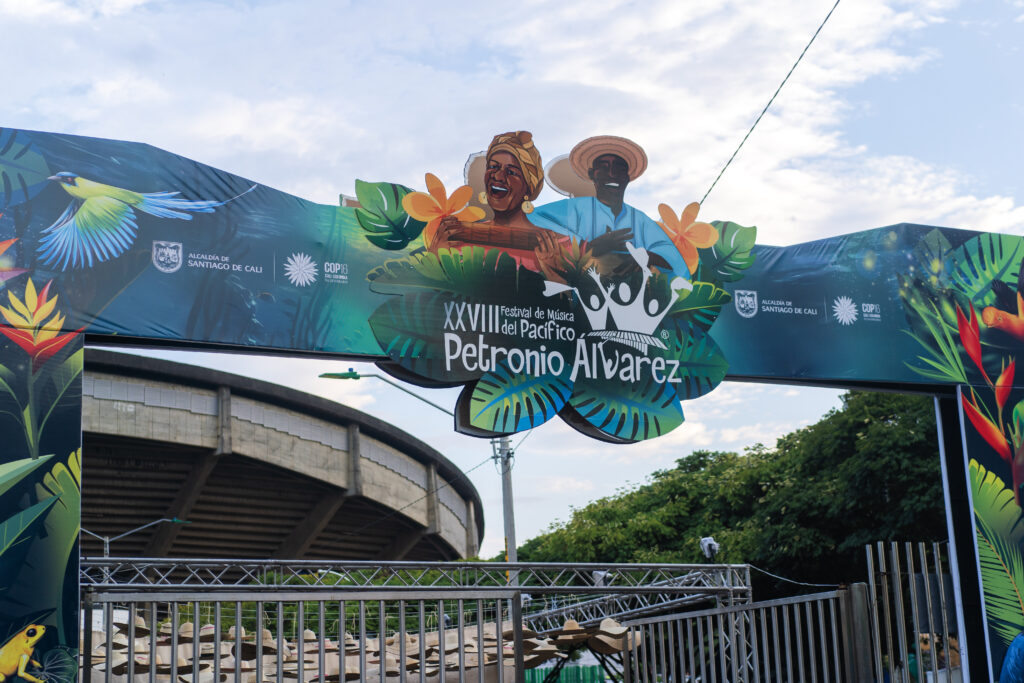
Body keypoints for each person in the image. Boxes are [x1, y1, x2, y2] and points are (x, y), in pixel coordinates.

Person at [528, 135, 689, 278]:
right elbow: (530, 218)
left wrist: (645, 256)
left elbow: (679, 267)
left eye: (619, 169)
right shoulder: (575, 208)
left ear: (627, 177)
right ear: (592, 174)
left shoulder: (639, 220)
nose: (612, 174)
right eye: (604, 168)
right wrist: (587, 247)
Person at [431, 131, 563, 271]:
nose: (498, 176)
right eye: (493, 167)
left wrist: (555, 275)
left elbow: (573, 290)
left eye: (511, 172)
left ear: (529, 188)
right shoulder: (457, 238)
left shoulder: (557, 246)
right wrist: (436, 259)